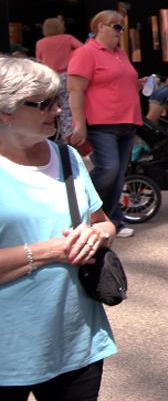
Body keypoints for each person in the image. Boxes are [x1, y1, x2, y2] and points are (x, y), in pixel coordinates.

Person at [0, 55, 118, 400]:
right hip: (9, 352)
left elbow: (103, 222)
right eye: (43, 104)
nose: (58, 110)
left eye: (58, 100)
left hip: (75, 343)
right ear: (5, 112)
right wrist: (53, 250)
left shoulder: (67, 157)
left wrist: (96, 235)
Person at [67, 10, 143, 239]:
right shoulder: (86, 53)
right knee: (109, 170)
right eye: (116, 26)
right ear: (100, 26)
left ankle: (111, 221)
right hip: (102, 122)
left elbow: (118, 81)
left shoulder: (120, 53)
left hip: (126, 120)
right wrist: (79, 123)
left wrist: (137, 84)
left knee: (117, 174)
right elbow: (75, 90)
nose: (121, 31)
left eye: (122, 26)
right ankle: (84, 213)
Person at [35, 17, 84, 140]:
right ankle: (70, 139)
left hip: (49, 78)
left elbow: (38, 62)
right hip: (67, 76)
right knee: (68, 109)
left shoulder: (40, 43)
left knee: (51, 109)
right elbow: (83, 49)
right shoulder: (67, 38)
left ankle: (52, 137)